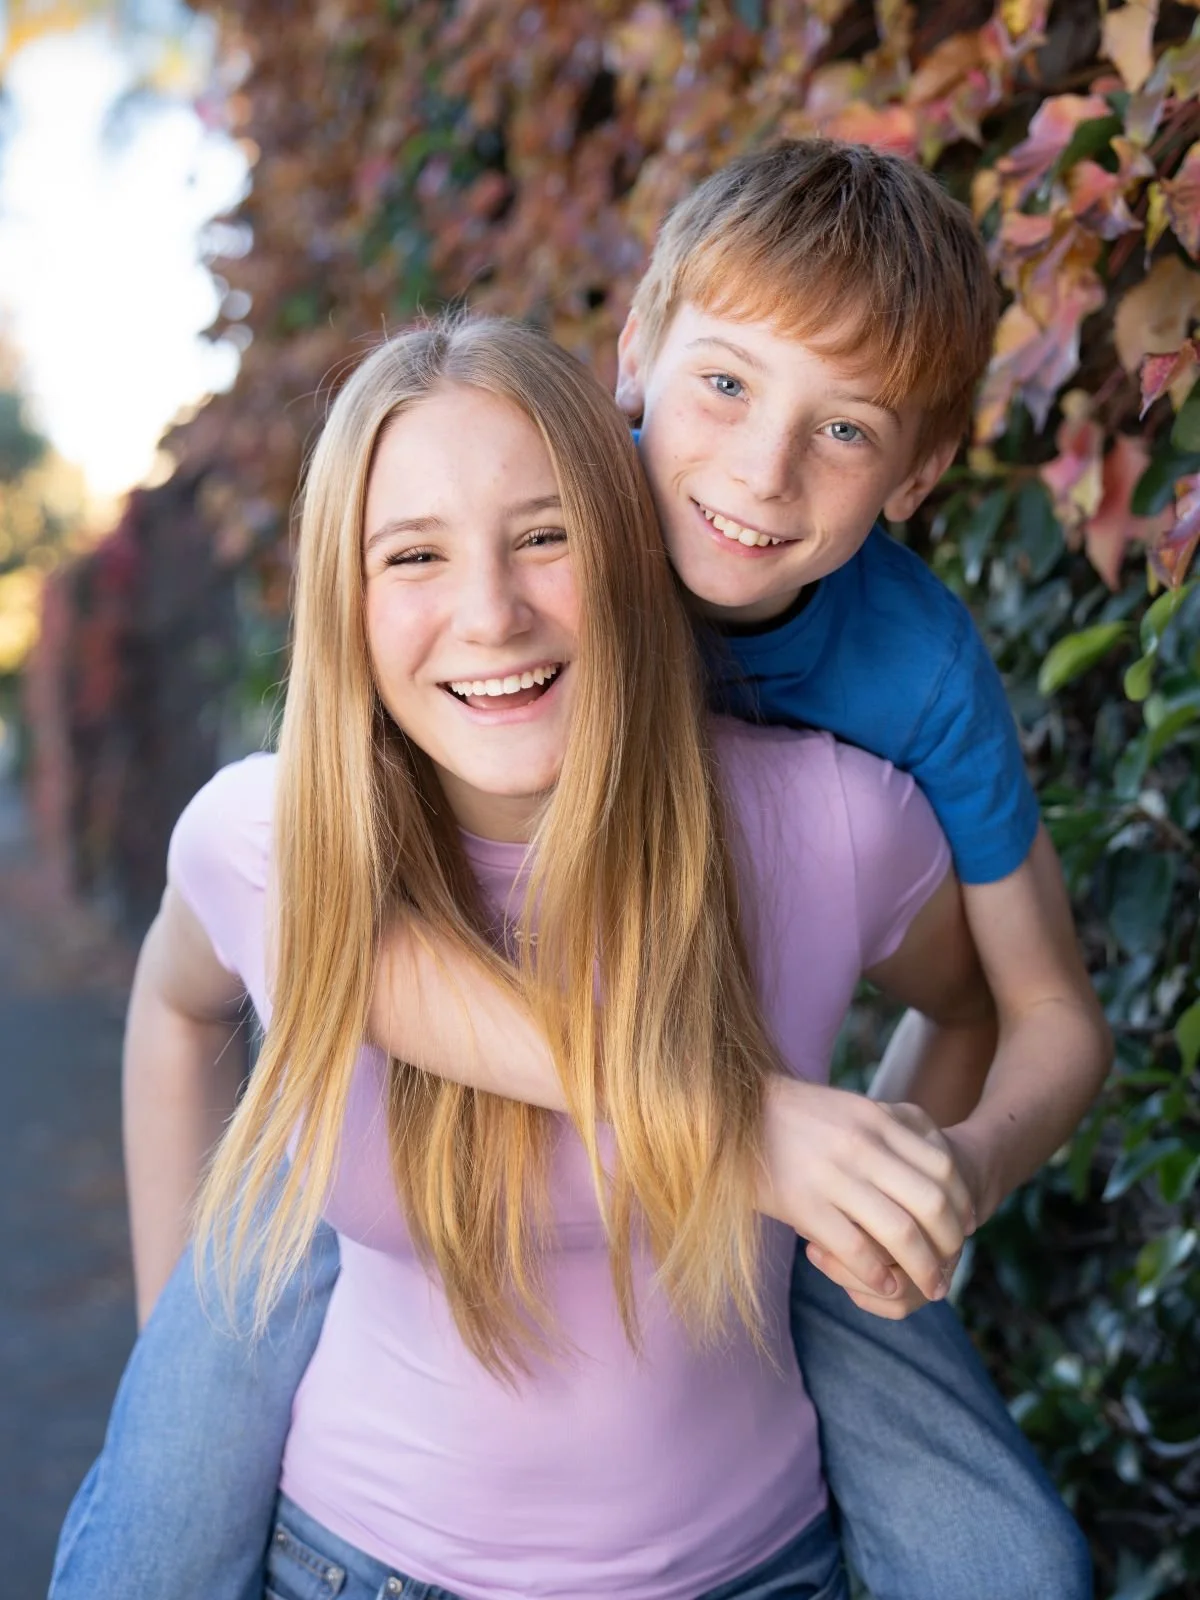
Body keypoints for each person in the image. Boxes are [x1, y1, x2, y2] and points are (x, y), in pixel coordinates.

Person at [52, 140, 1104, 1599]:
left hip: (722, 1384)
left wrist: (919, 1175)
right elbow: (322, 898)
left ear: (917, 473)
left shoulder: (905, 685)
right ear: (638, 364)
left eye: (844, 430)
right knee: (160, 1515)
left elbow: (1033, 1005)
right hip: (385, 1218)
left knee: (1013, 1565)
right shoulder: (525, 493)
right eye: (725, 387)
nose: (756, 471)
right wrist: (748, 1129)